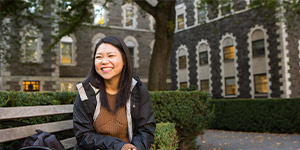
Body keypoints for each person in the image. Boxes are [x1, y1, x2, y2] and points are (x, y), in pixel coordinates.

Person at [73, 36, 156, 150]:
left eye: (111, 56)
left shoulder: (138, 90)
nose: (104, 61)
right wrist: (119, 146)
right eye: (99, 57)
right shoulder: (85, 93)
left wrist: (134, 148)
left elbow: (146, 129)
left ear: (124, 60)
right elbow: (83, 135)